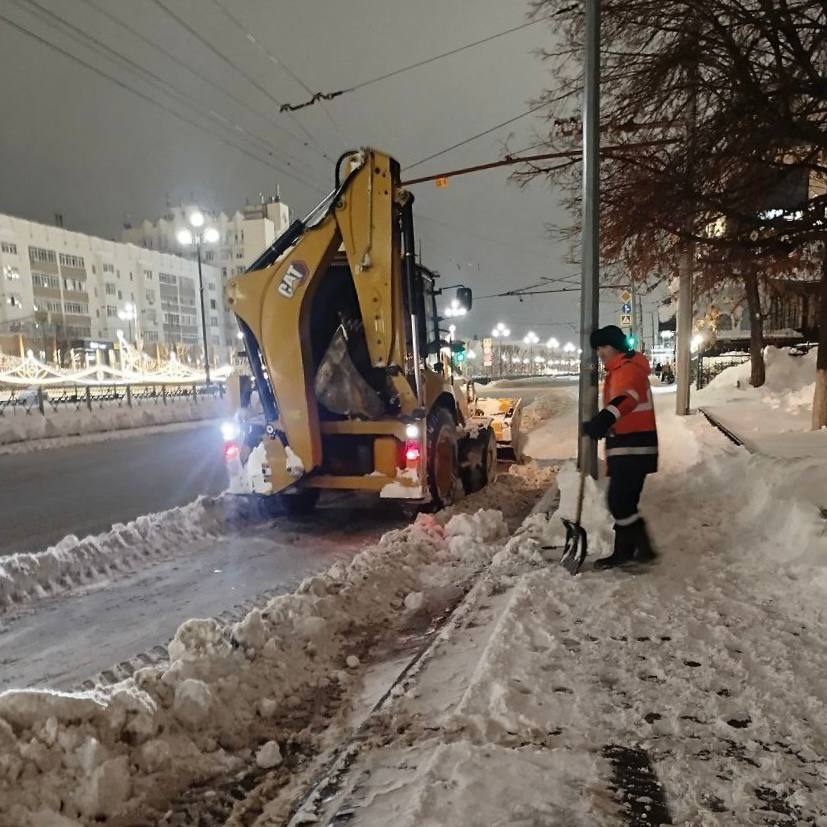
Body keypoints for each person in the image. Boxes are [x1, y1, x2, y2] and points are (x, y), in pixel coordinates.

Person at [582, 325, 658, 568]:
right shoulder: (619, 370)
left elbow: (628, 399)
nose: (600, 352)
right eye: (598, 348)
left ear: (615, 346)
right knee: (624, 502)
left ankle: (641, 548)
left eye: (603, 346)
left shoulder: (628, 369)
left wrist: (604, 419)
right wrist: (602, 425)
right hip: (629, 445)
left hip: (633, 447)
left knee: (619, 501)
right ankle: (629, 550)